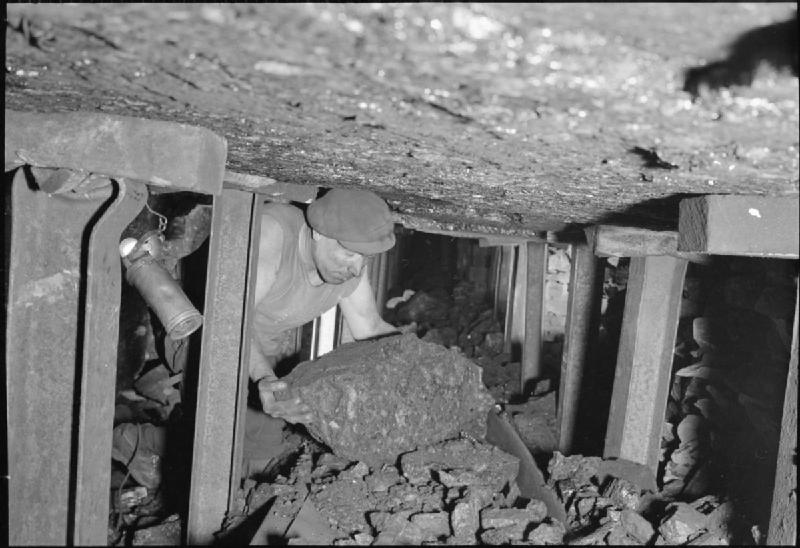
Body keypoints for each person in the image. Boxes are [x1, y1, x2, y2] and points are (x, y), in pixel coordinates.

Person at [243, 188, 400, 475]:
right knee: (227, 441)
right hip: (206, 336)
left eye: (364, 258)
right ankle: (136, 442)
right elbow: (232, 320)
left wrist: (425, 357)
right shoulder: (274, 234)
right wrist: (264, 378)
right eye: (350, 254)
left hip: (266, 352)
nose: (356, 269)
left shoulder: (350, 265)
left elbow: (370, 328)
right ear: (318, 234)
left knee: (261, 449)